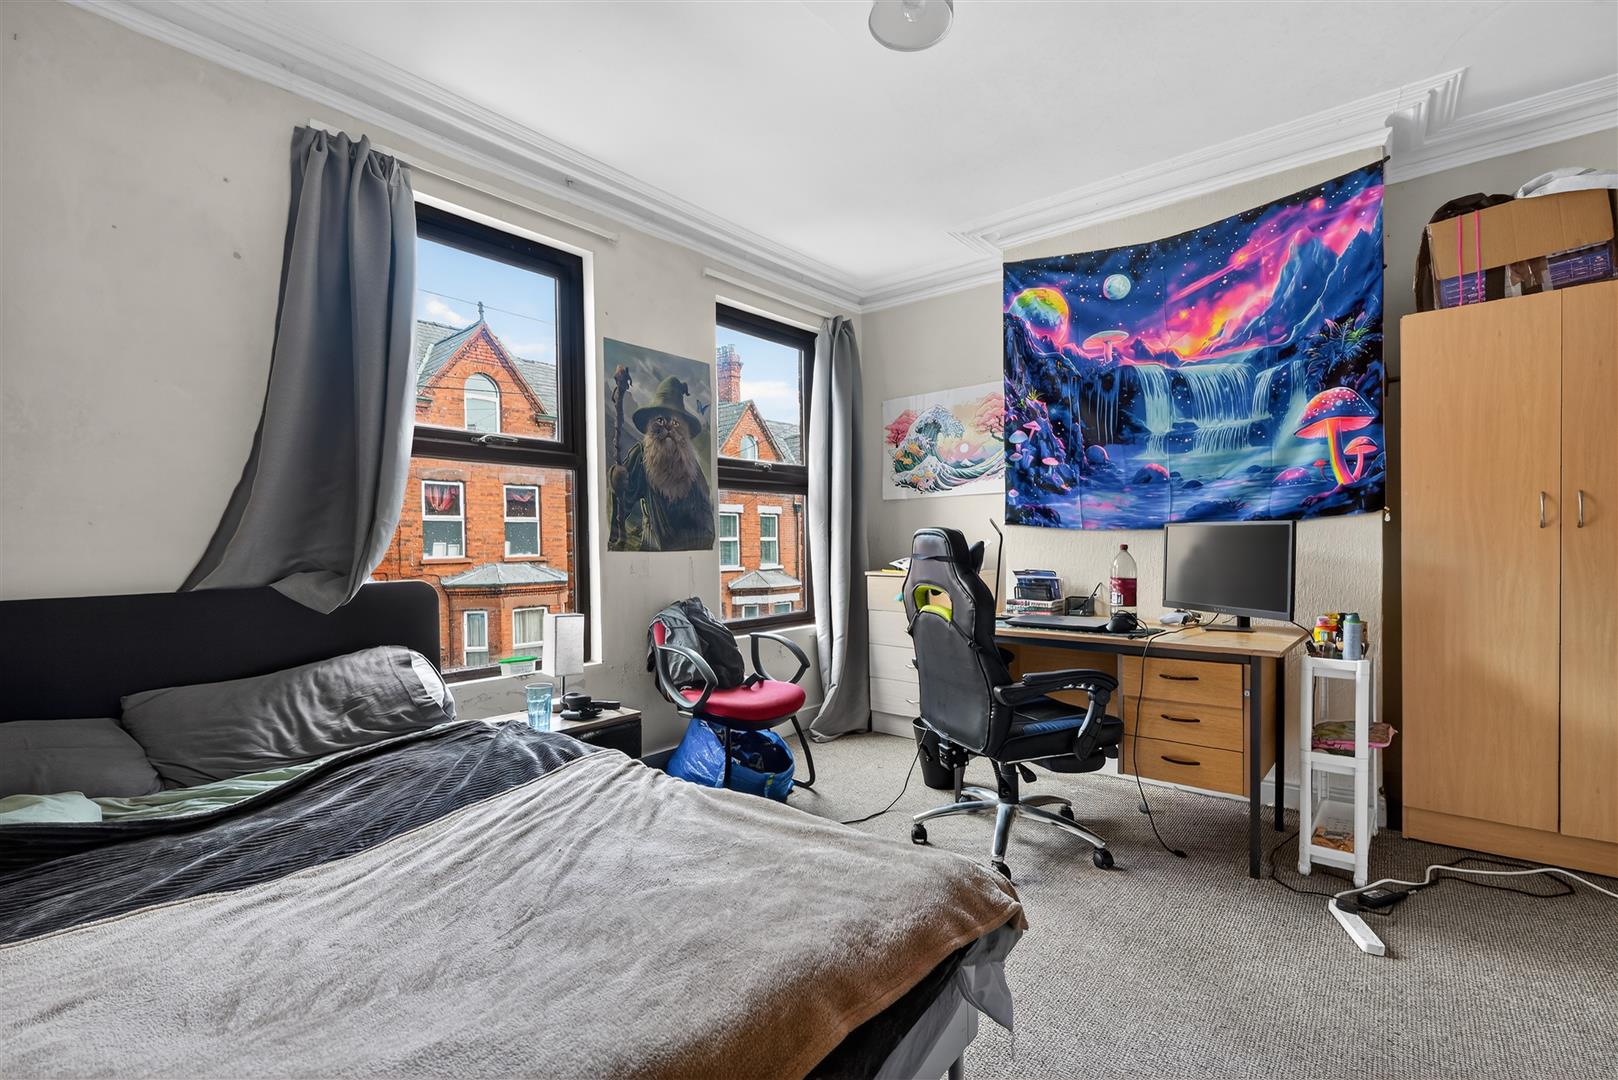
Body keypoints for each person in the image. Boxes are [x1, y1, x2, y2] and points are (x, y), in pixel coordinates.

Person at [610, 376, 716, 551]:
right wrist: (617, 479)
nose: (667, 427)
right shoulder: (641, 454)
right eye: (660, 421)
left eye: (675, 423)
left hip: (689, 548)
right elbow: (625, 499)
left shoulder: (691, 464)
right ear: (649, 424)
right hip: (654, 547)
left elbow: (705, 511)